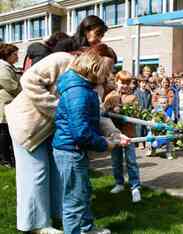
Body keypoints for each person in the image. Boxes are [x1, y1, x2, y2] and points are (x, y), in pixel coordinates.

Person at [5, 45, 119, 234]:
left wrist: (114, 133)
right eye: (107, 67)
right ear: (93, 60)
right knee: (36, 174)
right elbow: (28, 80)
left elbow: (97, 115)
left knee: (58, 177)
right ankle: (36, 225)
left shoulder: (92, 85)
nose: (108, 73)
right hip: (28, 124)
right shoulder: (61, 60)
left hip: (55, 131)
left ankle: (62, 216)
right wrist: (59, 109)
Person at [52, 50, 121, 234]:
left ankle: (87, 229)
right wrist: (105, 144)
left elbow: (89, 122)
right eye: (104, 73)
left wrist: (111, 136)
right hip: (71, 151)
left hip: (74, 150)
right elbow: (81, 133)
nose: (107, 77)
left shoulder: (82, 88)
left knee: (83, 193)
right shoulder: (78, 93)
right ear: (93, 69)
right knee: (74, 201)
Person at [103, 71, 142, 202]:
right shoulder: (110, 96)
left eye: (127, 83)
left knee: (131, 161)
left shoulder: (133, 98)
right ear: (116, 82)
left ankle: (135, 186)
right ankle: (119, 183)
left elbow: (136, 115)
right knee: (116, 160)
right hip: (114, 134)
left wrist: (123, 110)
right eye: (122, 82)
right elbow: (103, 113)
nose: (124, 86)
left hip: (128, 134)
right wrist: (110, 110)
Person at [0, 43, 21, 167]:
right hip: (5, 102)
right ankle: (5, 159)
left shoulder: (7, 66)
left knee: (5, 131)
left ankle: (6, 158)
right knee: (4, 131)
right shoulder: (3, 67)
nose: (17, 57)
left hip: (7, 101)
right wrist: (22, 91)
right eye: (15, 54)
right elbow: (10, 84)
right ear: (7, 55)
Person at [134, 77, 152, 149]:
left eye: (145, 83)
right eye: (142, 83)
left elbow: (150, 103)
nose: (144, 84)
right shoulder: (136, 92)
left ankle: (146, 141)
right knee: (139, 127)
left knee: (146, 127)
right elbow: (135, 103)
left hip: (146, 112)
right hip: (139, 112)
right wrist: (139, 110)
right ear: (139, 83)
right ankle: (140, 142)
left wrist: (148, 111)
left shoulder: (148, 92)